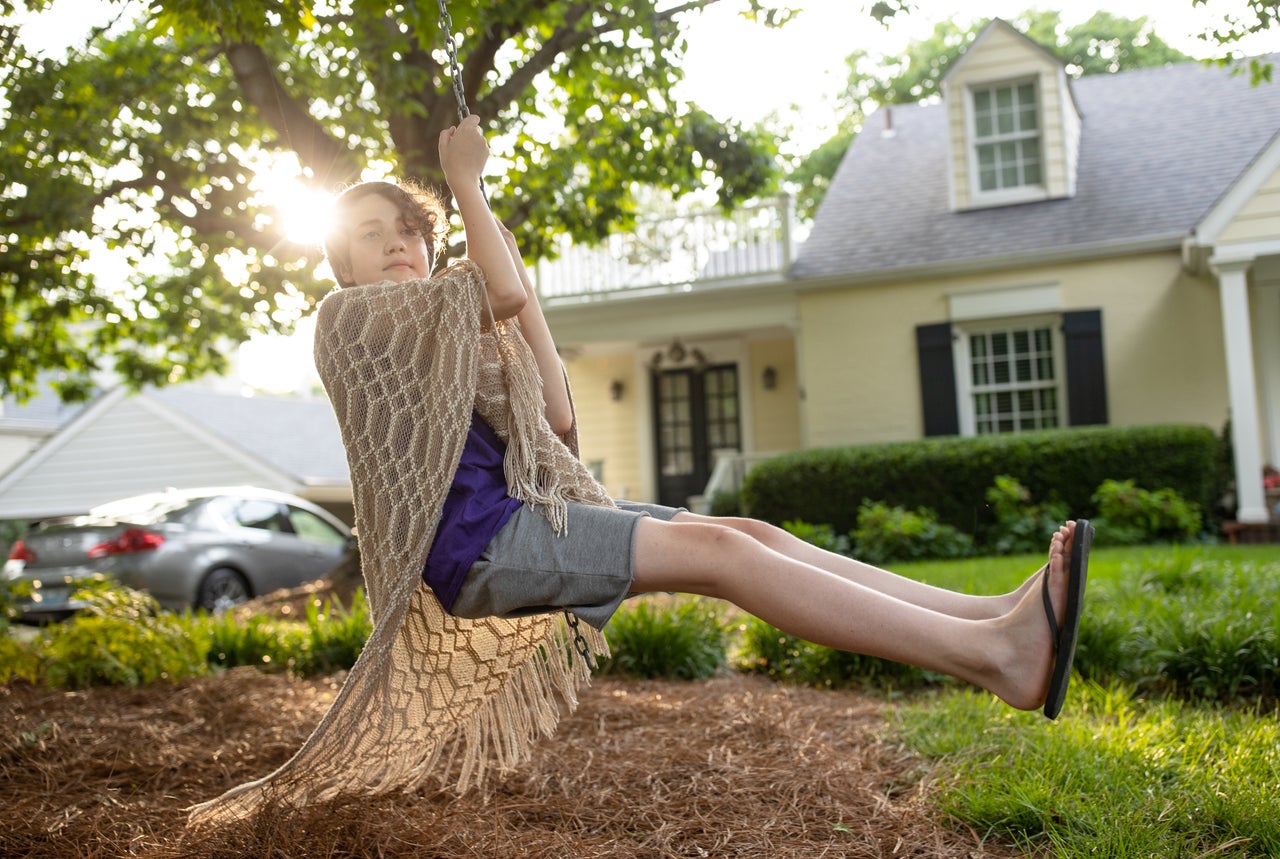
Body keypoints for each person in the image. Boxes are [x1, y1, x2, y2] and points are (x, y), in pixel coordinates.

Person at [188, 115, 1092, 826]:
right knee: (722, 558)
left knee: (745, 534)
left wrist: (519, 295)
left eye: (406, 231)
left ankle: (993, 618)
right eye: (368, 233)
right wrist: (465, 180)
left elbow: (555, 416)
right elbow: (494, 295)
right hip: (481, 547)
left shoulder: (445, 330)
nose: (393, 243)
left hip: (519, 518)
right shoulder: (350, 321)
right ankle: (994, 659)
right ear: (339, 263)